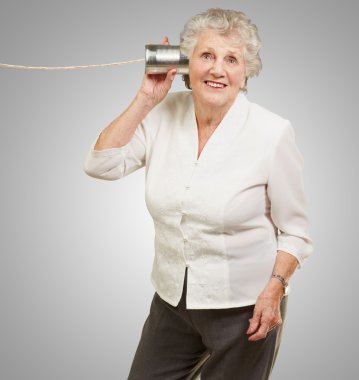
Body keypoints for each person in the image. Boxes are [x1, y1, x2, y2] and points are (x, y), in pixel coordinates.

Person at [83, 8, 313, 380]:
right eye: (206, 55)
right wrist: (146, 97)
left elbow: (296, 232)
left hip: (247, 308)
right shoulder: (162, 115)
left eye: (231, 59)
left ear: (246, 71)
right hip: (172, 302)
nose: (217, 69)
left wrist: (275, 289)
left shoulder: (272, 133)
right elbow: (100, 165)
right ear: (187, 63)